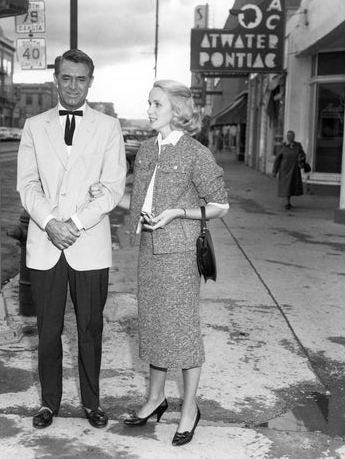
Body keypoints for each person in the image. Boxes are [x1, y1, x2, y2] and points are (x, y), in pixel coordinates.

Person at [93, 79, 228, 446]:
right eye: (149, 103)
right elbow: (139, 203)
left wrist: (177, 213)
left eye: (156, 104)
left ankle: (190, 409)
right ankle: (155, 399)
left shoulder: (195, 153)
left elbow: (219, 205)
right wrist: (103, 193)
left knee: (182, 332)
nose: (149, 110)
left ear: (177, 111)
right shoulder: (149, 149)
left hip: (181, 255)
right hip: (150, 253)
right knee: (153, 326)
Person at [16, 49, 127, 430]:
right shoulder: (34, 126)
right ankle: (49, 403)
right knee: (47, 331)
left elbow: (113, 189)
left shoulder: (109, 127)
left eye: (81, 79)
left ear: (90, 82)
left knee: (90, 329)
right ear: (56, 80)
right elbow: (27, 185)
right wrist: (50, 223)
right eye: (66, 78)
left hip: (89, 244)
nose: (73, 86)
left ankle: (92, 403)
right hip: (46, 244)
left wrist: (74, 223)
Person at [272, 130, 307, 209]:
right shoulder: (283, 146)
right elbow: (277, 159)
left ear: (293, 137)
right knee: (286, 186)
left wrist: (302, 161)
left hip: (294, 169)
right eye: (287, 136)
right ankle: (287, 202)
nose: (289, 138)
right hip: (285, 169)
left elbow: (302, 155)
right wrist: (275, 171)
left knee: (292, 186)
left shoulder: (298, 146)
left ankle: (289, 201)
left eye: (290, 136)